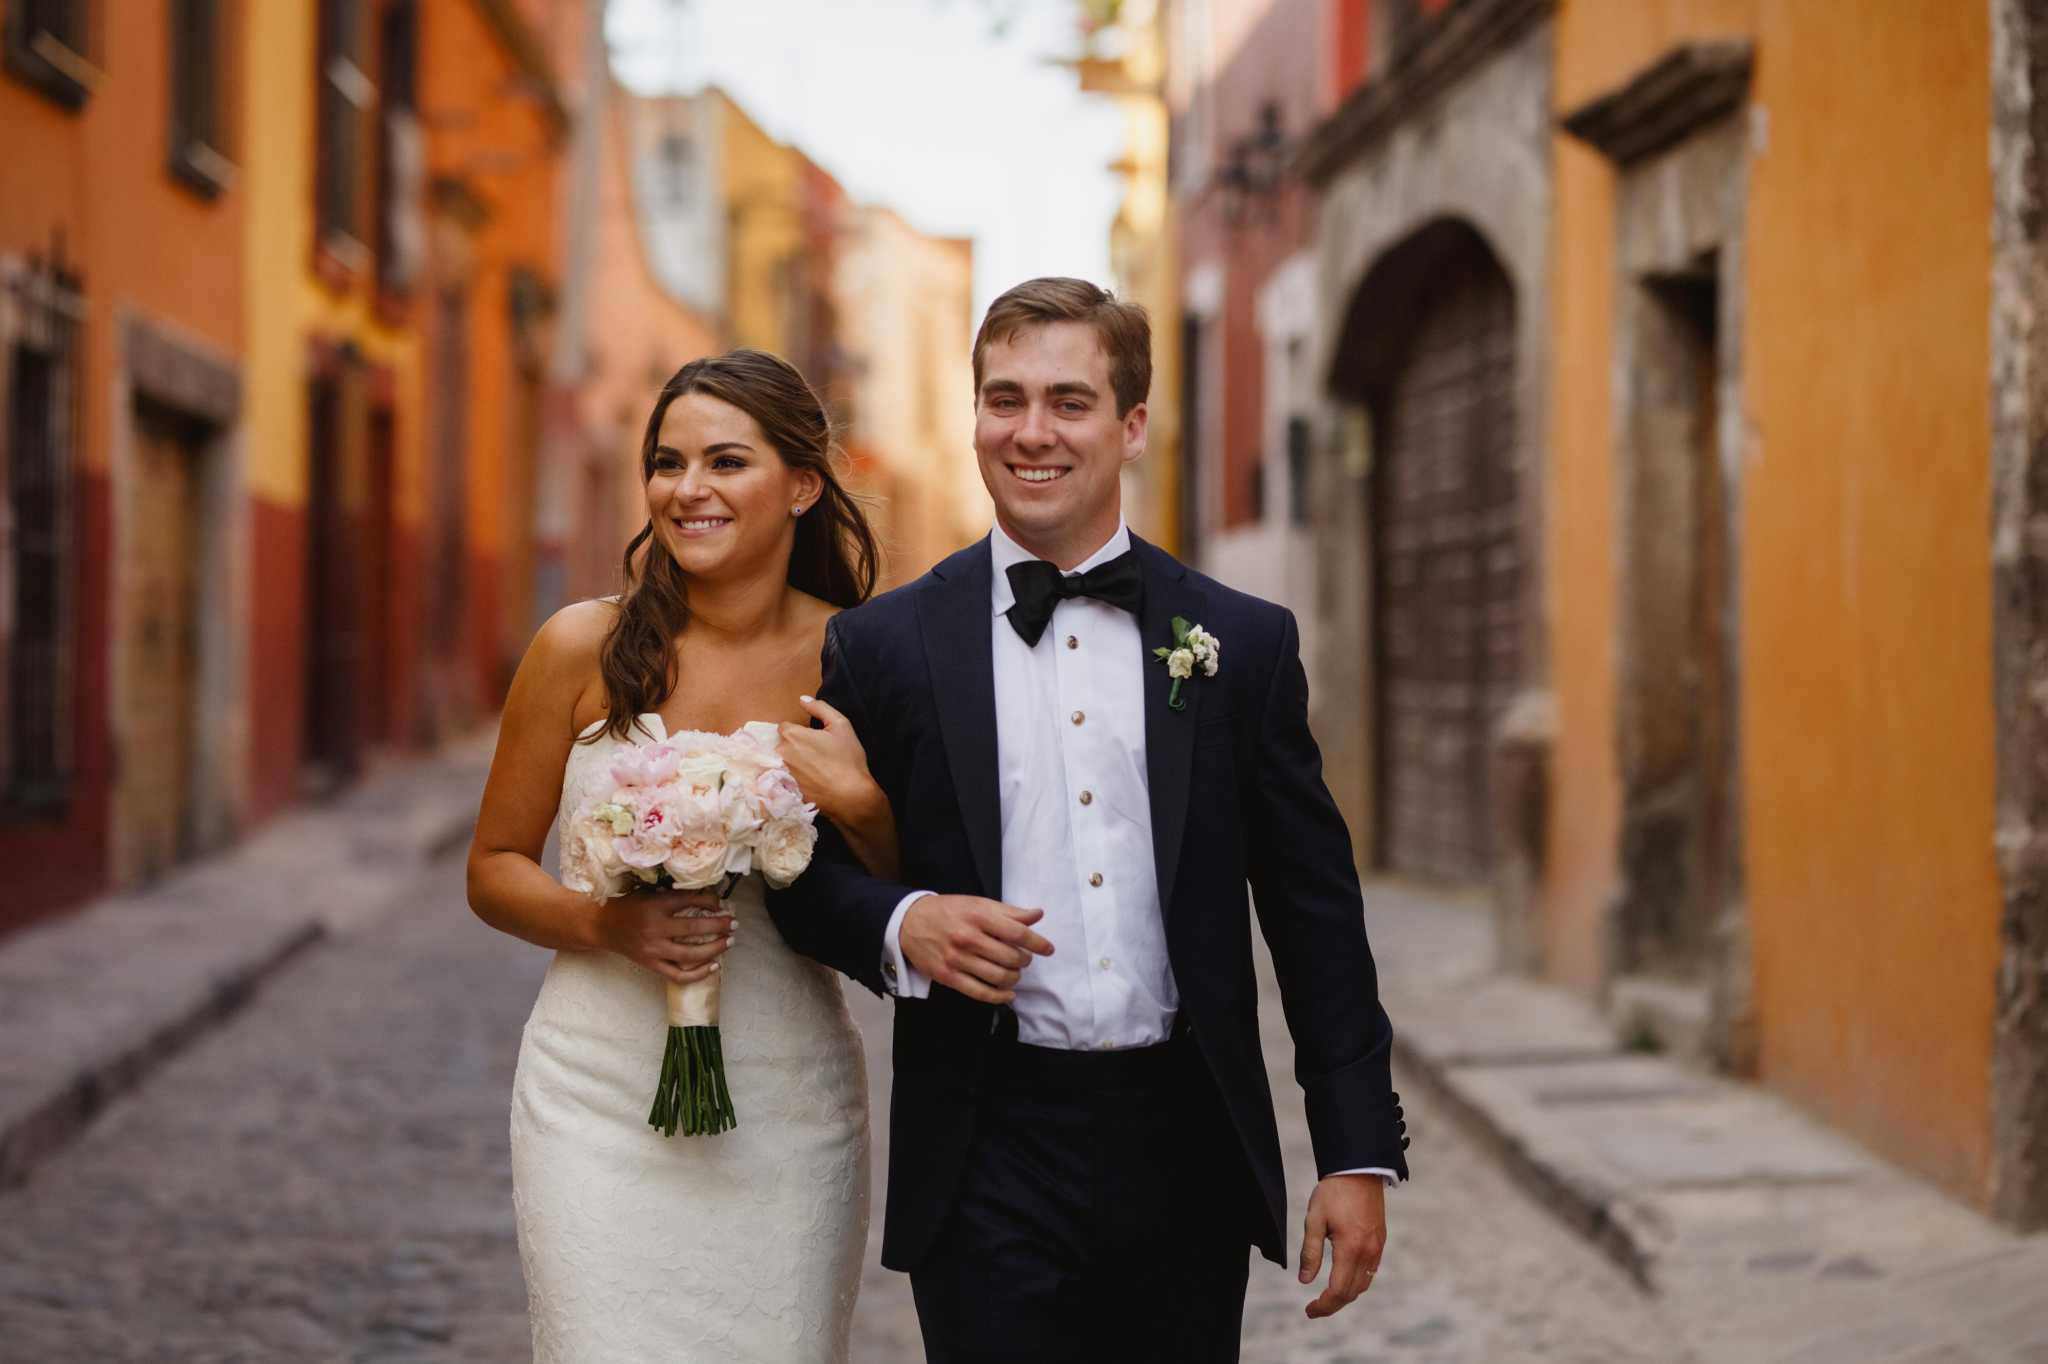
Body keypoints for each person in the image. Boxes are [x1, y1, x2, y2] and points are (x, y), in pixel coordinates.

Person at [766, 277, 1411, 1364]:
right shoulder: (883, 646)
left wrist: (1353, 1150)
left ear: (1131, 423)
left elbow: (1313, 910)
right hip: (983, 1142)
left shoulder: (1239, 644)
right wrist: (902, 922)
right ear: (973, 413)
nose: (1031, 432)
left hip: (1187, 1138)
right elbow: (802, 876)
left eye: (1067, 400)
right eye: (1002, 398)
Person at [465, 349, 895, 1363]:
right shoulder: (580, 646)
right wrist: (602, 922)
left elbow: (905, 887)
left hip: (785, 1099)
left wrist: (864, 803)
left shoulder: (865, 657)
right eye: (666, 461)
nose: (687, 488)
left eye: (725, 461)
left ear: (801, 482)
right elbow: (492, 864)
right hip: (595, 1094)